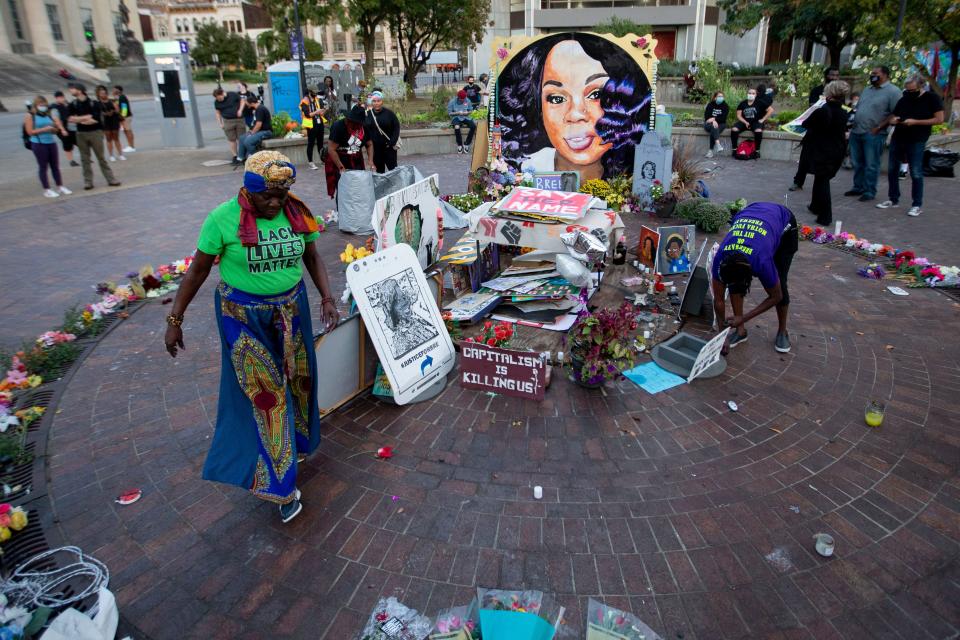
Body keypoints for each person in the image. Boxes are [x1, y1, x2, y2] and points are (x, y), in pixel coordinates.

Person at [163, 150, 338, 524]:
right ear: (248, 190)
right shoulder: (222, 220)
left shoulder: (296, 212)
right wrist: (175, 318)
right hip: (243, 317)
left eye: (281, 194)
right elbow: (196, 272)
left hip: (293, 310)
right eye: (267, 197)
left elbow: (312, 257)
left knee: (300, 384)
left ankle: (298, 447)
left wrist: (325, 296)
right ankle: (281, 487)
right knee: (267, 397)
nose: (275, 203)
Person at [498, 33, 651, 179]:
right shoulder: (530, 169)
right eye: (557, 99)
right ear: (538, 108)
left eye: (596, 94)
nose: (575, 114)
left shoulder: (636, 177)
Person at [711, 202, 798, 355]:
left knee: (780, 282)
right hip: (752, 213)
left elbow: (776, 296)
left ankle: (782, 331)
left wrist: (743, 317)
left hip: (783, 223)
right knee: (735, 284)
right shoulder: (720, 258)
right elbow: (718, 300)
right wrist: (721, 336)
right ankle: (741, 332)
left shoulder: (761, 261)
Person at [876, 74, 944, 217]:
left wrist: (915, 122)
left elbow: (939, 120)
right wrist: (894, 120)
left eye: (912, 90)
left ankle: (917, 204)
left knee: (916, 171)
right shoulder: (904, 99)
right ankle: (893, 199)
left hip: (917, 139)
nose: (909, 93)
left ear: (921, 87)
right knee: (893, 169)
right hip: (899, 137)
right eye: (907, 90)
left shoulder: (932, 98)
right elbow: (895, 114)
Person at [845, 66, 901, 202]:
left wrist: (879, 127)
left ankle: (869, 190)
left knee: (871, 164)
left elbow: (896, 112)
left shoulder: (893, 91)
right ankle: (858, 186)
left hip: (874, 133)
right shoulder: (867, 89)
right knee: (857, 162)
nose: (872, 76)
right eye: (872, 73)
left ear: (885, 75)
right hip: (857, 131)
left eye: (876, 74)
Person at [801, 81, 850, 225]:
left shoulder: (824, 110)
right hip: (837, 149)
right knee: (821, 177)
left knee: (822, 181)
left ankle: (825, 216)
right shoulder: (842, 111)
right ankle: (815, 206)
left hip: (824, 150)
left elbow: (806, 123)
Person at [790, 68, 840, 191]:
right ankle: (798, 181)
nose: (834, 77)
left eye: (837, 75)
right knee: (805, 157)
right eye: (832, 74)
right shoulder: (817, 90)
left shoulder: (839, 94)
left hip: (829, 132)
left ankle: (821, 185)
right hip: (814, 131)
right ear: (826, 76)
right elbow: (812, 108)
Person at [68, 84, 120, 190]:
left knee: (101, 157)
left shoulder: (93, 103)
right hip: (81, 133)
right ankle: (88, 182)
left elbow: (95, 119)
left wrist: (79, 119)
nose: (70, 91)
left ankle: (111, 179)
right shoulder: (73, 104)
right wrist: (85, 118)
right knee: (85, 159)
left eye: (72, 89)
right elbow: (70, 119)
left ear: (80, 90)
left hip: (95, 132)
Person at [24, 96, 72, 198]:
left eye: (45, 105)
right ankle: (47, 189)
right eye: (41, 105)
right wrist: (44, 129)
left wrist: (55, 129)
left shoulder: (47, 114)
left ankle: (60, 186)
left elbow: (54, 129)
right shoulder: (30, 115)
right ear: (36, 105)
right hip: (39, 143)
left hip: (51, 142)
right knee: (43, 167)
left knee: (55, 166)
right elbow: (30, 132)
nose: (44, 107)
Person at [325, 105, 373, 198]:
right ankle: (343, 211)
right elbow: (331, 149)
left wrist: (370, 160)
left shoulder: (363, 128)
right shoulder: (338, 126)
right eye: (356, 123)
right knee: (344, 190)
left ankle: (357, 210)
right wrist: (341, 167)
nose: (359, 126)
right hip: (339, 160)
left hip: (356, 160)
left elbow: (369, 144)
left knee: (358, 187)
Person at [365, 91, 400, 173]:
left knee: (393, 170)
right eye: (374, 101)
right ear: (371, 102)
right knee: (379, 172)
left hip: (389, 147)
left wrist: (392, 142)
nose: (376, 103)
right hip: (375, 149)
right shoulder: (368, 114)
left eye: (378, 101)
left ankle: (396, 185)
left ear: (382, 101)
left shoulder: (389, 113)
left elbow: (396, 127)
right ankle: (382, 186)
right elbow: (365, 130)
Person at [731, 88, 771, 157]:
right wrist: (745, 122)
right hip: (744, 121)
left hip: (756, 122)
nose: (751, 95)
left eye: (753, 93)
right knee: (734, 129)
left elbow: (771, 110)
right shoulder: (742, 103)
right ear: (747, 94)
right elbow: (738, 115)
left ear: (756, 95)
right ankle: (734, 149)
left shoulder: (759, 102)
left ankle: (757, 151)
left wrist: (762, 119)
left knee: (758, 131)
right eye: (749, 93)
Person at [213, 87, 246, 165]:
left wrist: (240, 110)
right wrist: (220, 123)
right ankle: (235, 156)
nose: (219, 100)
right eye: (217, 98)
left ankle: (242, 156)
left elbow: (242, 101)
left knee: (241, 138)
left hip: (239, 119)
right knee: (231, 139)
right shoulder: (216, 102)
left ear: (222, 93)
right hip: (227, 121)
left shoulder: (232, 95)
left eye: (220, 98)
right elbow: (218, 113)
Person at [238, 94, 273, 163]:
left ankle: (258, 159)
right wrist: (251, 131)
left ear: (251, 103)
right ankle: (241, 158)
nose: (246, 105)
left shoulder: (260, 109)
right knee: (242, 138)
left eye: (247, 103)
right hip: (259, 131)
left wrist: (252, 133)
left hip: (266, 132)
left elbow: (258, 125)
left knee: (248, 142)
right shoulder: (257, 109)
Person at [300, 86, 325, 170]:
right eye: (314, 92)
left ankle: (323, 160)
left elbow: (321, 113)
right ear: (310, 92)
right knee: (311, 143)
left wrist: (323, 110)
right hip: (311, 124)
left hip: (319, 123)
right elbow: (307, 114)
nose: (316, 94)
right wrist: (316, 112)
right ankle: (311, 162)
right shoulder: (305, 101)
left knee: (320, 143)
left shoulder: (317, 99)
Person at [50, 91, 78, 167]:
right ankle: (71, 161)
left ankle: (84, 157)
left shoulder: (65, 105)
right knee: (67, 144)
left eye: (63, 97)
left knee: (79, 142)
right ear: (56, 98)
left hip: (70, 128)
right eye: (60, 97)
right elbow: (56, 120)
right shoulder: (54, 108)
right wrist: (62, 130)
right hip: (62, 129)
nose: (62, 99)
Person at [96, 85, 123, 161]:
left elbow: (118, 110)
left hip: (114, 120)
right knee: (108, 138)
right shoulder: (97, 103)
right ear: (98, 95)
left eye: (104, 93)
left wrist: (114, 110)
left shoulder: (112, 101)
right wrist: (104, 114)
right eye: (101, 94)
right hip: (105, 121)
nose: (103, 95)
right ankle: (111, 155)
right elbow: (97, 113)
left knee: (116, 138)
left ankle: (120, 154)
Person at [448, 90, 476, 154]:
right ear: (458, 97)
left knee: (473, 126)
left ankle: (466, 144)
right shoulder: (452, 102)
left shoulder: (467, 100)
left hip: (465, 117)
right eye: (461, 99)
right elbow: (449, 113)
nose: (463, 100)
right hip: (456, 117)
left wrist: (467, 112)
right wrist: (457, 113)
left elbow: (471, 110)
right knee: (457, 127)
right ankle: (460, 145)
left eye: (464, 99)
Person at [703, 91, 728, 157]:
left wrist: (714, 119)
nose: (721, 98)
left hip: (721, 124)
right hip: (708, 124)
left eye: (722, 96)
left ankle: (710, 151)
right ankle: (718, 144)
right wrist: (712, 121)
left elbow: (723, 118)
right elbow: (707, 117)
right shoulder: (710, 105)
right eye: (719, 96)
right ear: (715, 98)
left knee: (714, 129)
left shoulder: (725, 106)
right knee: (714, 127)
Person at [113, 85, 135, 152]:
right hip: (124, 117)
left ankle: (131, 146)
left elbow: (124, 108)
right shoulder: (119, 97)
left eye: (114, 90)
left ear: (118, 90)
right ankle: (130, 146)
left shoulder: (122, 97)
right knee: (126, 131)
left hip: (125, 117)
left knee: (128, 131)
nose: (113, 91)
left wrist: (122, 118)